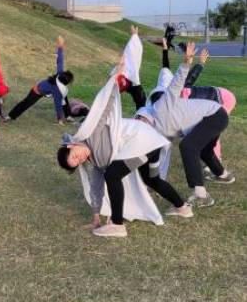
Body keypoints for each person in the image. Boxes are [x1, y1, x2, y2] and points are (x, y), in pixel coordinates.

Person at [57, 61, 191, 238]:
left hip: (143, 140)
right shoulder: (95, 162)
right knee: (152, 180)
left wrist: (114, 80)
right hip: (149, 147)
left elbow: (104, 107)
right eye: (77, 162)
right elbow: (96, 187)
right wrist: (96, 215)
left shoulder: (91, 133)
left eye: (75, 156)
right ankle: (182, 207)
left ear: (71, 145)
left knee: (112, 175)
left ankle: (117, 225)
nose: (80, 159)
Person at [136, 43, 235, 209]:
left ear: (147, 112)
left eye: (141, 119)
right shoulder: (157, 131)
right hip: (214, 116)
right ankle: (224, 175)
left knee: (188, 146)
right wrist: (152, 180)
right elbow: (159, 154)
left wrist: (186, 62)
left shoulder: (161, 106)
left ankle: (201, 195)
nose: (141, 122)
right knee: (204, 150)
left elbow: (175, 85)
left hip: (215, 114)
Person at [149, 38, 236, 162]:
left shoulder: (178, 95)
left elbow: (190, 76)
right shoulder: (175, 99)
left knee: (210, 132)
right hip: (220, 96)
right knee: (205, 131)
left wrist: (197, 62)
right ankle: (211, 160)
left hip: (223, 98)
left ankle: (215, 162)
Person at [7, 36, 78, 124]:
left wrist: (60, 45)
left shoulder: (60, 74)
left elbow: (60, 60)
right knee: (25, 104)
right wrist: (59, 119)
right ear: (65, 82)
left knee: (64, 96)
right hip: (36, 92)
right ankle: (10, 116)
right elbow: (57, 105)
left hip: (48, 90)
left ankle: (68, 116)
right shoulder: (57, 90)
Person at [116, 26, 147, 110]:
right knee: (141, 99)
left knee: (141, 99)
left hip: (129, 80)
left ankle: (140, 117)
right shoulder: (129, 54)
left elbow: (135, 51)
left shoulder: (131, 54)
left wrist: (135, 35)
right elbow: (132, 51)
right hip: (124, 78)